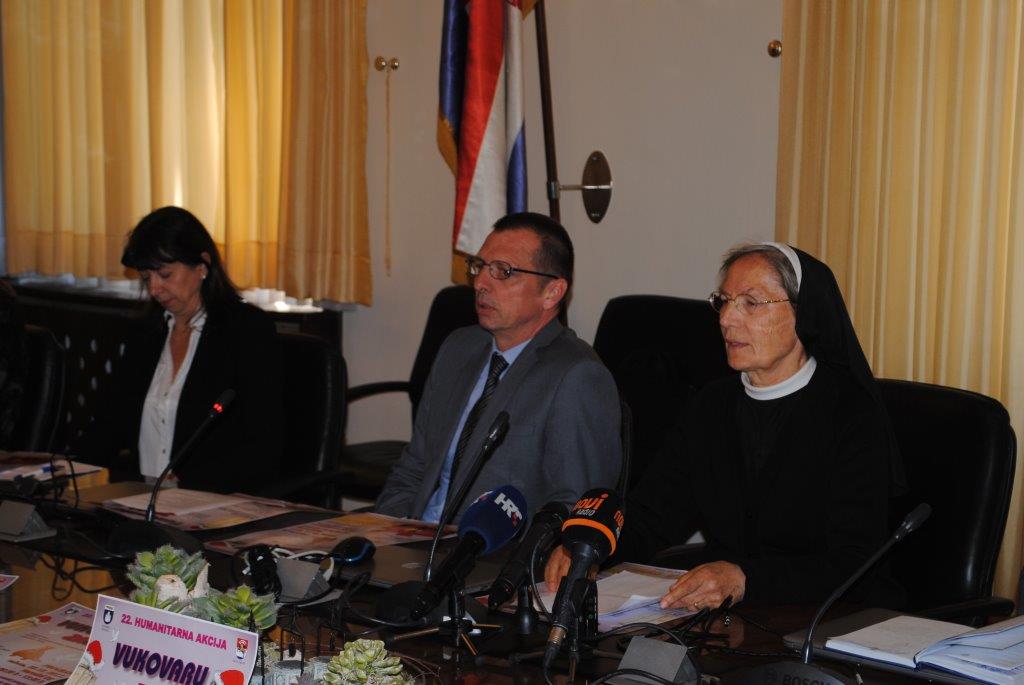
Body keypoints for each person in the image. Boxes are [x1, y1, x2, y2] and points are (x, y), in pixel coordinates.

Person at [545, 242, 905, 608]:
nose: (726, 319)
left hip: (830, 618)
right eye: (724, 301)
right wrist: (591, 548)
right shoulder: (711, 405)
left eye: (751, 303)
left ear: (804, 313)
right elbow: (654, 514)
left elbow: (853, 562)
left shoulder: (850, 412)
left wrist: (747, 579)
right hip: (732, 619)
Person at [375, 212, 622, 523]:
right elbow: (414, 467)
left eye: (503, 271)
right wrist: (386, 531)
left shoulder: (576, 376)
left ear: (552, 292)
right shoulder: (458, 348)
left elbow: (575, 506)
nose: (480, 283)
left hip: (489, 549)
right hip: (415, 534)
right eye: (479, 266)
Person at [72, 206, 285, 494]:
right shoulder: (146, 334)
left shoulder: (246, 331)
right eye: (146, 278)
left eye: (165, 274)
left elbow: (262, 445)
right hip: (139, 500)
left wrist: (186, 488)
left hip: (214, 502)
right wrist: (67, 471)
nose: (154, 289)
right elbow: (110, 423)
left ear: (202, 266)